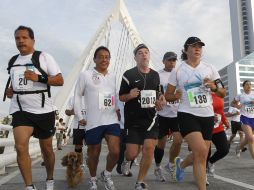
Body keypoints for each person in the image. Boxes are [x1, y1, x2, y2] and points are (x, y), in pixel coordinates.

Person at [4, 25, 64, 190]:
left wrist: (39, 77)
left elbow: (59, 80)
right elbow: (16, 85)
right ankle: (29, 186)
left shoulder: (44, 57)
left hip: (44, 111)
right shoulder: (13, 61)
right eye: (17, 38)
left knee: (47, 150)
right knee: (20, 146)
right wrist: (10, 92)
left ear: (32, 40)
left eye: (24, 37)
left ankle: (50, 179)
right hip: (21, 110)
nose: (20, 41)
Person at [165, 37, 226, 190]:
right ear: (186, 50)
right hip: (187, 114)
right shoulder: (178, 70)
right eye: (193, 46)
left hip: (207, 116)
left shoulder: (210, 68)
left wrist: (212, 86)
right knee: (201, 151)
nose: (197, 48)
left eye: (199, 46)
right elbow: (168, 95)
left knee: (202, 154)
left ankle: (181, 165)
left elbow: (222, 93)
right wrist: (175, 96)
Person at [119, 44, 166, 190]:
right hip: (133, 121)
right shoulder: (128, 74)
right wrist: (130, 95)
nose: (144, 55)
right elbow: (121, 97)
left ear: (149, 56)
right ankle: (127, 160)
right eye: (140, 53)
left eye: (146, 52)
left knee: (149, 149)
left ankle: (139, 182)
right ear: (135, 57)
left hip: (151, 120)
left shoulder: (155, 75)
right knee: (132, 153)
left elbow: (160, 94)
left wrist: (161, 100)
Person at [74, 46, 120, 190]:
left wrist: (119, 110)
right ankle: (93, 179)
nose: (104, 59)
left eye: (107, 57)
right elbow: (77, 96)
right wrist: (80, 116)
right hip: (93, 121)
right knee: (94, 153)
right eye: (100, 56)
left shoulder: (113, 77)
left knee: (115, 151)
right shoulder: (85, 75)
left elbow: (116, 97)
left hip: (111, 119)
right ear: (94, 59)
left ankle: (106, 174)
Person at [153, 51, 183, 182]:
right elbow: (156, 92)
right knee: (161, 143)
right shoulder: (158, 75)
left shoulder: (180, 74)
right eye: (170, 60)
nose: (172, 62)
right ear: (163, 61)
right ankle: (158, 167)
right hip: (162, 114)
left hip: (177, 113)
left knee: (178, 141)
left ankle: (170, 164)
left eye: (174, 60)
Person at [206, 93, 230, 184]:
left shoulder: (219, 94)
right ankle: (203, 175)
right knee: (206, 152)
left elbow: (221, 111)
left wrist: (225, 121)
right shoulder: (203, 93)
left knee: (224, 149)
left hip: (218, 127)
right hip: (205, 128)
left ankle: (210, 162)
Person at [231, 80, 254, 159]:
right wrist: (237, 106)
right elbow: (232, 103)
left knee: (248, 139)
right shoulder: (240, 95)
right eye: (247, 84)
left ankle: (238, 147)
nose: (249, 86)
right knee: (251, 139)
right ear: (243, 86)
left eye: (250, 84)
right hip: (245, 118)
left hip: (253, 118)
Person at [65, 96, 86, 166]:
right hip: (77, 126)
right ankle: (79, 163)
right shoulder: (73, 98)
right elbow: (66, 111)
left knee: (92, 146)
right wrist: (71, 112)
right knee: (78, 146)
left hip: (90, 126)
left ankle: (90, 159)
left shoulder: (93, 96)